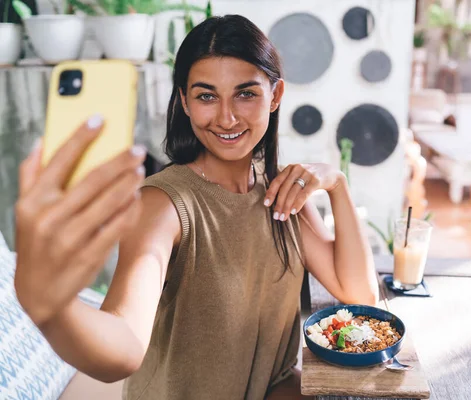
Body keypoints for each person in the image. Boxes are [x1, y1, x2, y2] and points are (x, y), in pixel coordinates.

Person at [14, 14, 379, 400]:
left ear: (275, 96)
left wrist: (337, 185)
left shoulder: (281, 192)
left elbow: (360, 293)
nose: (226, 117)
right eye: (206, 95)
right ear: (185, 102)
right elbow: (124, 346)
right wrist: (54, 311)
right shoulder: (163, 205)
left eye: (245, 93)